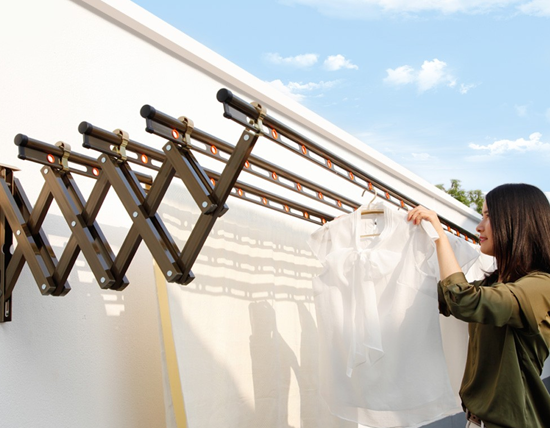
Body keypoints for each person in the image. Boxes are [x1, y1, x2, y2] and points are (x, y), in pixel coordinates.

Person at [407, 183, 550, 428]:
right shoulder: (494, 284)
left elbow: (463, 300)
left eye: (488, 217)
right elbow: (446, 298)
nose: (479, 226)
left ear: (517, 222)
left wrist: (440, 238)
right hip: (475, 421)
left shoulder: (541, 286)